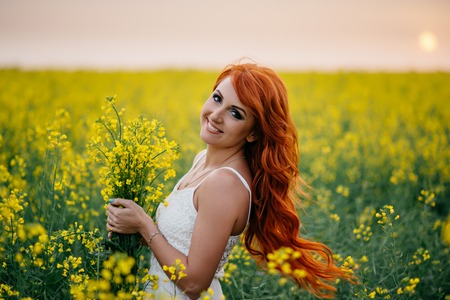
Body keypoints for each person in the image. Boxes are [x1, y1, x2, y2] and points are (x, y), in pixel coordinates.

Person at [106, 62, 353, 299]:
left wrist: (145, 226)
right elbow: (182, 240)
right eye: (217, 98)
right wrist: (132, 226)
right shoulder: (202, 160)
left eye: (235, 113)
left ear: (254, 132)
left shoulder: (224, 184)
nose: (216, 115)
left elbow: (193, 284)